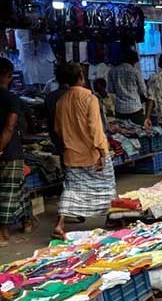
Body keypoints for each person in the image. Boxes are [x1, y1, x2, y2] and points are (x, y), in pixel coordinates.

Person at [53, 62, 116, 240]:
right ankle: (110, 218)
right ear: (81, 77)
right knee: (107, 186)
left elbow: (58, 128)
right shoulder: (90, 98)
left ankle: (60, 224)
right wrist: (102, 152)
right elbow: (95, 128)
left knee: (71, 190)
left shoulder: (61, 101)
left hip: (71, 153)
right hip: (92, 153)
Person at [0, 58, 32, 244]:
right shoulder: (12, 99)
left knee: (19, 188)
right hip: (10, 151)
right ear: (8, 76)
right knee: (9, 192)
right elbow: (10, 127)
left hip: (10, 150)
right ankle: (3, 232)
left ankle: (27, 220)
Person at [108, 49, 147, 126]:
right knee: (140, 133)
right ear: (133, 60)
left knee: (123, 133)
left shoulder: (112, 71)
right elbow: (143, 91)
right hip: (135, 108)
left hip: (120, 109)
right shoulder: (135, 72)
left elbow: (111, 90)